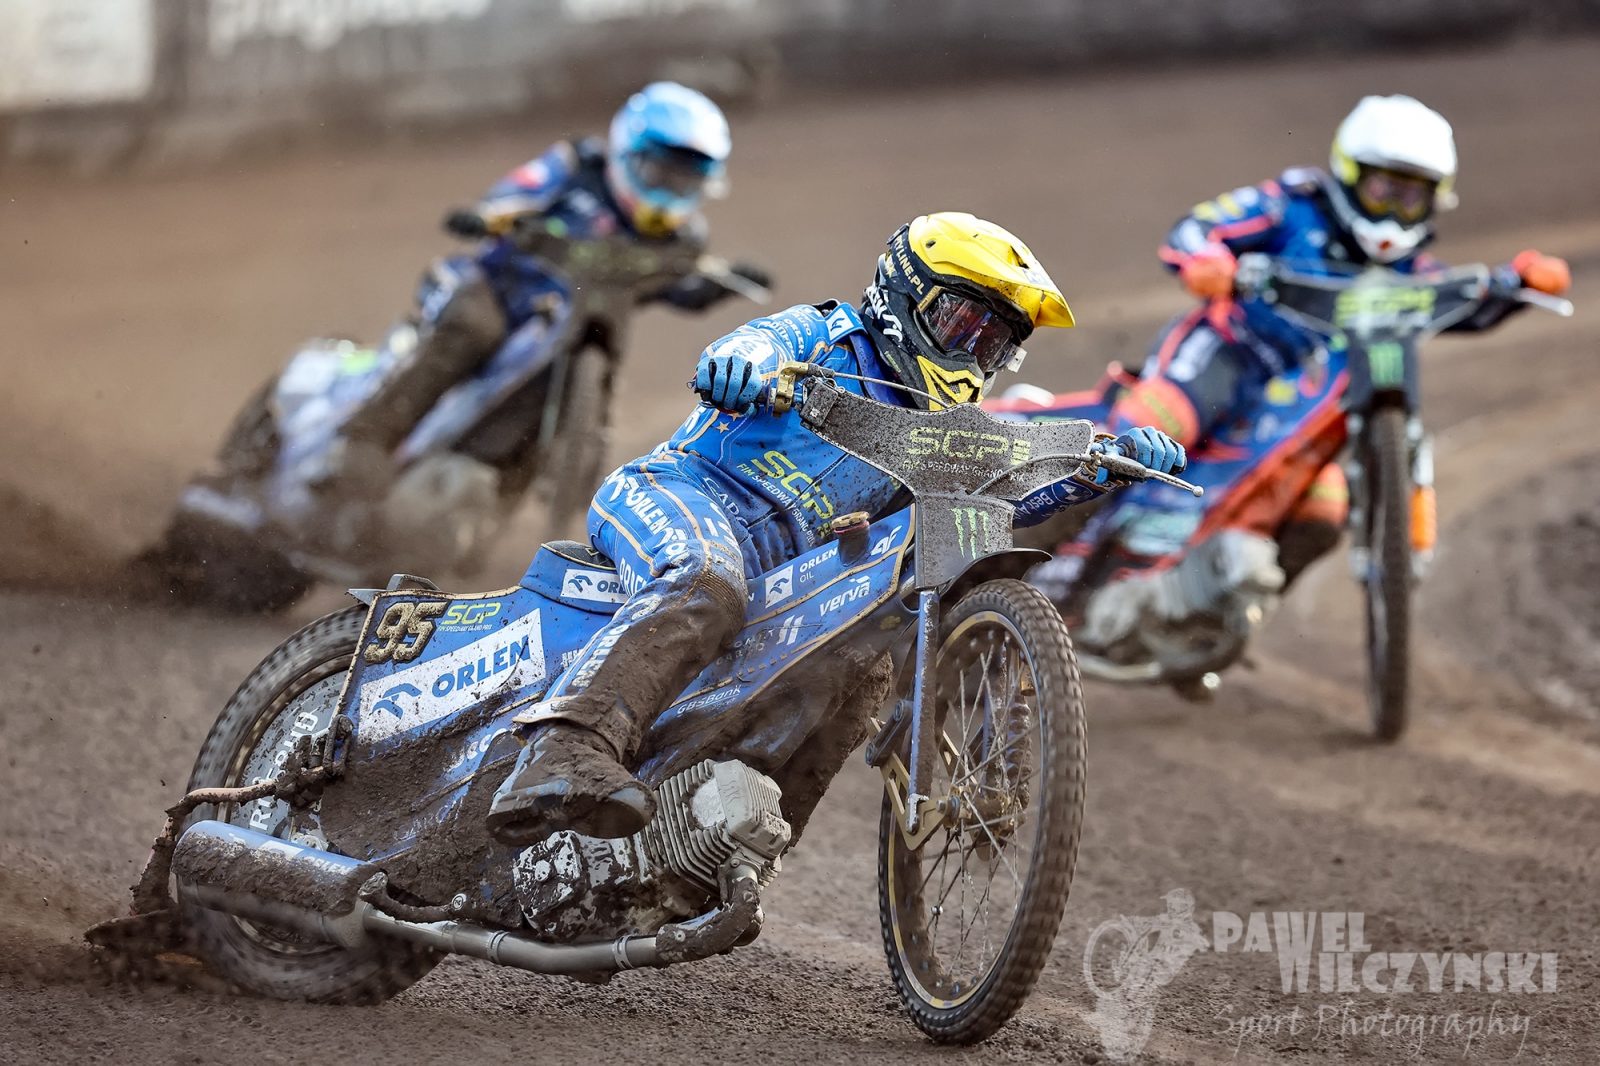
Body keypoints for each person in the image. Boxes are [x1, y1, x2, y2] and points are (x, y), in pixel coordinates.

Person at [485, 212, 1188, 844]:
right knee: (705, 579)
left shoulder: (941, 434)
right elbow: (754, 342)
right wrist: (741, 366)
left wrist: (1102, 466)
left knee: (863, 668)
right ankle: (563, 749)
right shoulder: (825, 333)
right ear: (904, 296)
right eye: (960, 326)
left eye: (991, 345)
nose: (971, 355)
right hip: (680, 494)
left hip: (783, 576)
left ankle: (722, 854)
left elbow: (1009, 491)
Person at [1028, 94, 1570, 589]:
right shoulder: (1291, 204)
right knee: (1154, 425)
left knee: (1325, 508)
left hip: (1300, 401)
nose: (1392, 212)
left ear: (1435, 202)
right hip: (1229, 354)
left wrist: (1517, 282)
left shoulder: (1406, 271)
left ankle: (1223, 612)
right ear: (1351, 175)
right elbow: (1197, 228)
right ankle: (1049, 540)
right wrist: (1208, 260)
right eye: (1383, 190)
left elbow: (1453, 300)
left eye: (1411, 198)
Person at [326, 81, 768, 487]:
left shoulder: (684, 240)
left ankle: (512, 491)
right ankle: (363, 442)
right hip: (501, 290)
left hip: (575, 329)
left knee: (568, 391)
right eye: (661, 174)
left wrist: (715, 287)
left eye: (687, 181)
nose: (670, 192)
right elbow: (513, 195)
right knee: (472, 327)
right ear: (626, 152)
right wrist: (485, 217)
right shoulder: (576, 167)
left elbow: (671, 285)